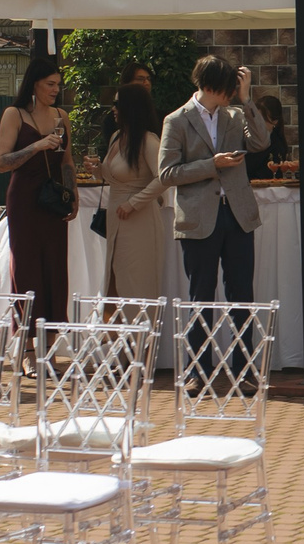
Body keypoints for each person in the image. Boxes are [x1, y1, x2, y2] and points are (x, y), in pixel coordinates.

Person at [161, 53, 270, 368]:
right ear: (211, 86)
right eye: (228, 89)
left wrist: (248, 98)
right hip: (199, 217)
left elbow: (262, 142)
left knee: (242, 295)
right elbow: (167, 173)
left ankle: (243, 367)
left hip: (237, 214)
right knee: (201, 296)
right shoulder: (176, 120)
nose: (230, 96)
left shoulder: (235, 115)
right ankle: (198, 369)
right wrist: (213, 165)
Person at [0, 56, 77, 360]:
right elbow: (1, 162)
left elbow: (67, 160)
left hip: (54, 198)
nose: (56, 89)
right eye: (50, 84)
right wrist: (35, 146)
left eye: (58, 84)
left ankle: (49, 348)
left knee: (55, 271)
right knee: (27, 270)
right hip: (25, 199)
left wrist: (72, 194)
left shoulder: (61, 115)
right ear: (35, 84)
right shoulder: (14, 114)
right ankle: (27, 350)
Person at [101, 83, 173, 299]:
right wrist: (96, 169)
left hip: (139, 220)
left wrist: (134, 202)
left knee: (136, 281)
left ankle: (141, 332)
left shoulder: (149, 140)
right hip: (115, 218)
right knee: (114, 280)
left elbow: (164, 177)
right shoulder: (116, 137)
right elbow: (112, 177)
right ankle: (116, 332)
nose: (113, 109)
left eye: (117, 104)